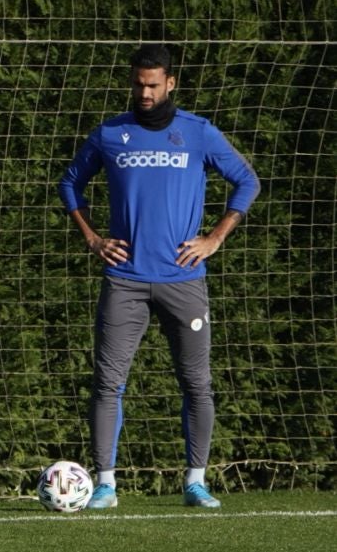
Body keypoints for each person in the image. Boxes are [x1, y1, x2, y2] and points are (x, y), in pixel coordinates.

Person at [58, 44, 260, 509]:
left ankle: (195, 482)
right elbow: (70, 182)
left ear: (171, 84)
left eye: (153, 85)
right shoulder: (111, 134)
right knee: (108, 382)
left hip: (184, 280)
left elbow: (247, 181)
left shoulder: (198, 133)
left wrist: (215, 238)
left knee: (197, 383)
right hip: (124, 280)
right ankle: (105, 485)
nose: (144, 92)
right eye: (138, 84)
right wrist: (92, 238)